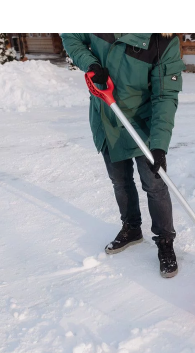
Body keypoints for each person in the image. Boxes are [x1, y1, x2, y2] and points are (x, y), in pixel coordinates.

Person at [60, 33, 185, 278]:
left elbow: (165, 96)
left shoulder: (163, 41)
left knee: (155, 185)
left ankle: (165, 242)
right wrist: (92, 64)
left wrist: (159, 145)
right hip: (107, 116)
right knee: (120, 180)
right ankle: (131, 228)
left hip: (144, 123)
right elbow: (70, 36)